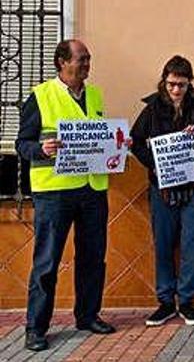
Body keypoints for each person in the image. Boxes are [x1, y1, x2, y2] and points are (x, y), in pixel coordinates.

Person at [16, 40, 117, 351]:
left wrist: (116, 146)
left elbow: (100, 137)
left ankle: (87, 315)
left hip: (91, 190)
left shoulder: (95, 95)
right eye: (82, 59)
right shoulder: (41, 96)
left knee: (92, 257)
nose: (87, 65)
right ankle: (36, 327)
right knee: (47, 261)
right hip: (54, 192)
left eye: (89, 59)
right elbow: (23, 143)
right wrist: (40, 150)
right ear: (62, 62)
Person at [131, 55, 194, 327]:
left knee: (193, 244)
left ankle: (187, 300)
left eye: (181, 84)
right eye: (171, 84)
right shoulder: (152, 109)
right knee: (164, 243)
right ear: (164, 82)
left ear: (190, 83)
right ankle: (166, 301)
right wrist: (154, 165)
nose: (176, 90)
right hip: (163, 188)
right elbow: (135, 142)